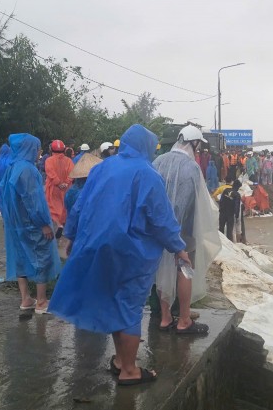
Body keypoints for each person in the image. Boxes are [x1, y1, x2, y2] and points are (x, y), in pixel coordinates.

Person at [50, 125, 190, 386]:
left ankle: (119, 360)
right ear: (147, 147)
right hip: (130, 251)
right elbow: (161, 219)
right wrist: (178, 247)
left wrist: (72, 236)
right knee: (129, 306)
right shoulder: (148, 174)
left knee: (115, 302)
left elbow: (80, 206)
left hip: (96, 245)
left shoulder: (102, 168)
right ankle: (129, 370)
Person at [151, 125, 222, 334]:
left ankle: (164, 319)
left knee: (161, 270)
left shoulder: (157, 162)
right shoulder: (191, 167)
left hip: (158, 229)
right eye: (198, 146)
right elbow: (192, 204)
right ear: (194, 143)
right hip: (183, 231)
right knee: (185, 270)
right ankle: (183, 320)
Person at [1, 133, 62, 314]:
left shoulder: (11, 167)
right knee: (41, 256)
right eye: (37, 148)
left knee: (20, 257)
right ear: (29, 149)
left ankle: (26, 298)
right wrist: (44, 223)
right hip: (30, 223)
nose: (39, 152)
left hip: (15, 222)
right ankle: (41, 302)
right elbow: (33, 200)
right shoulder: (28, 170)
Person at [44, 139, 74, 233]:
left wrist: (58, 183)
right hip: (66, 187)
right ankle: (64, 225)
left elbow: (50, 173)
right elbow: (72, 173)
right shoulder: (69, 160)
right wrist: (66, 182)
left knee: (53, 206)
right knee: (64, 206)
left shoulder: (49, 160)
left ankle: (58, 224)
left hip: (54, 188)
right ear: (64, 149)